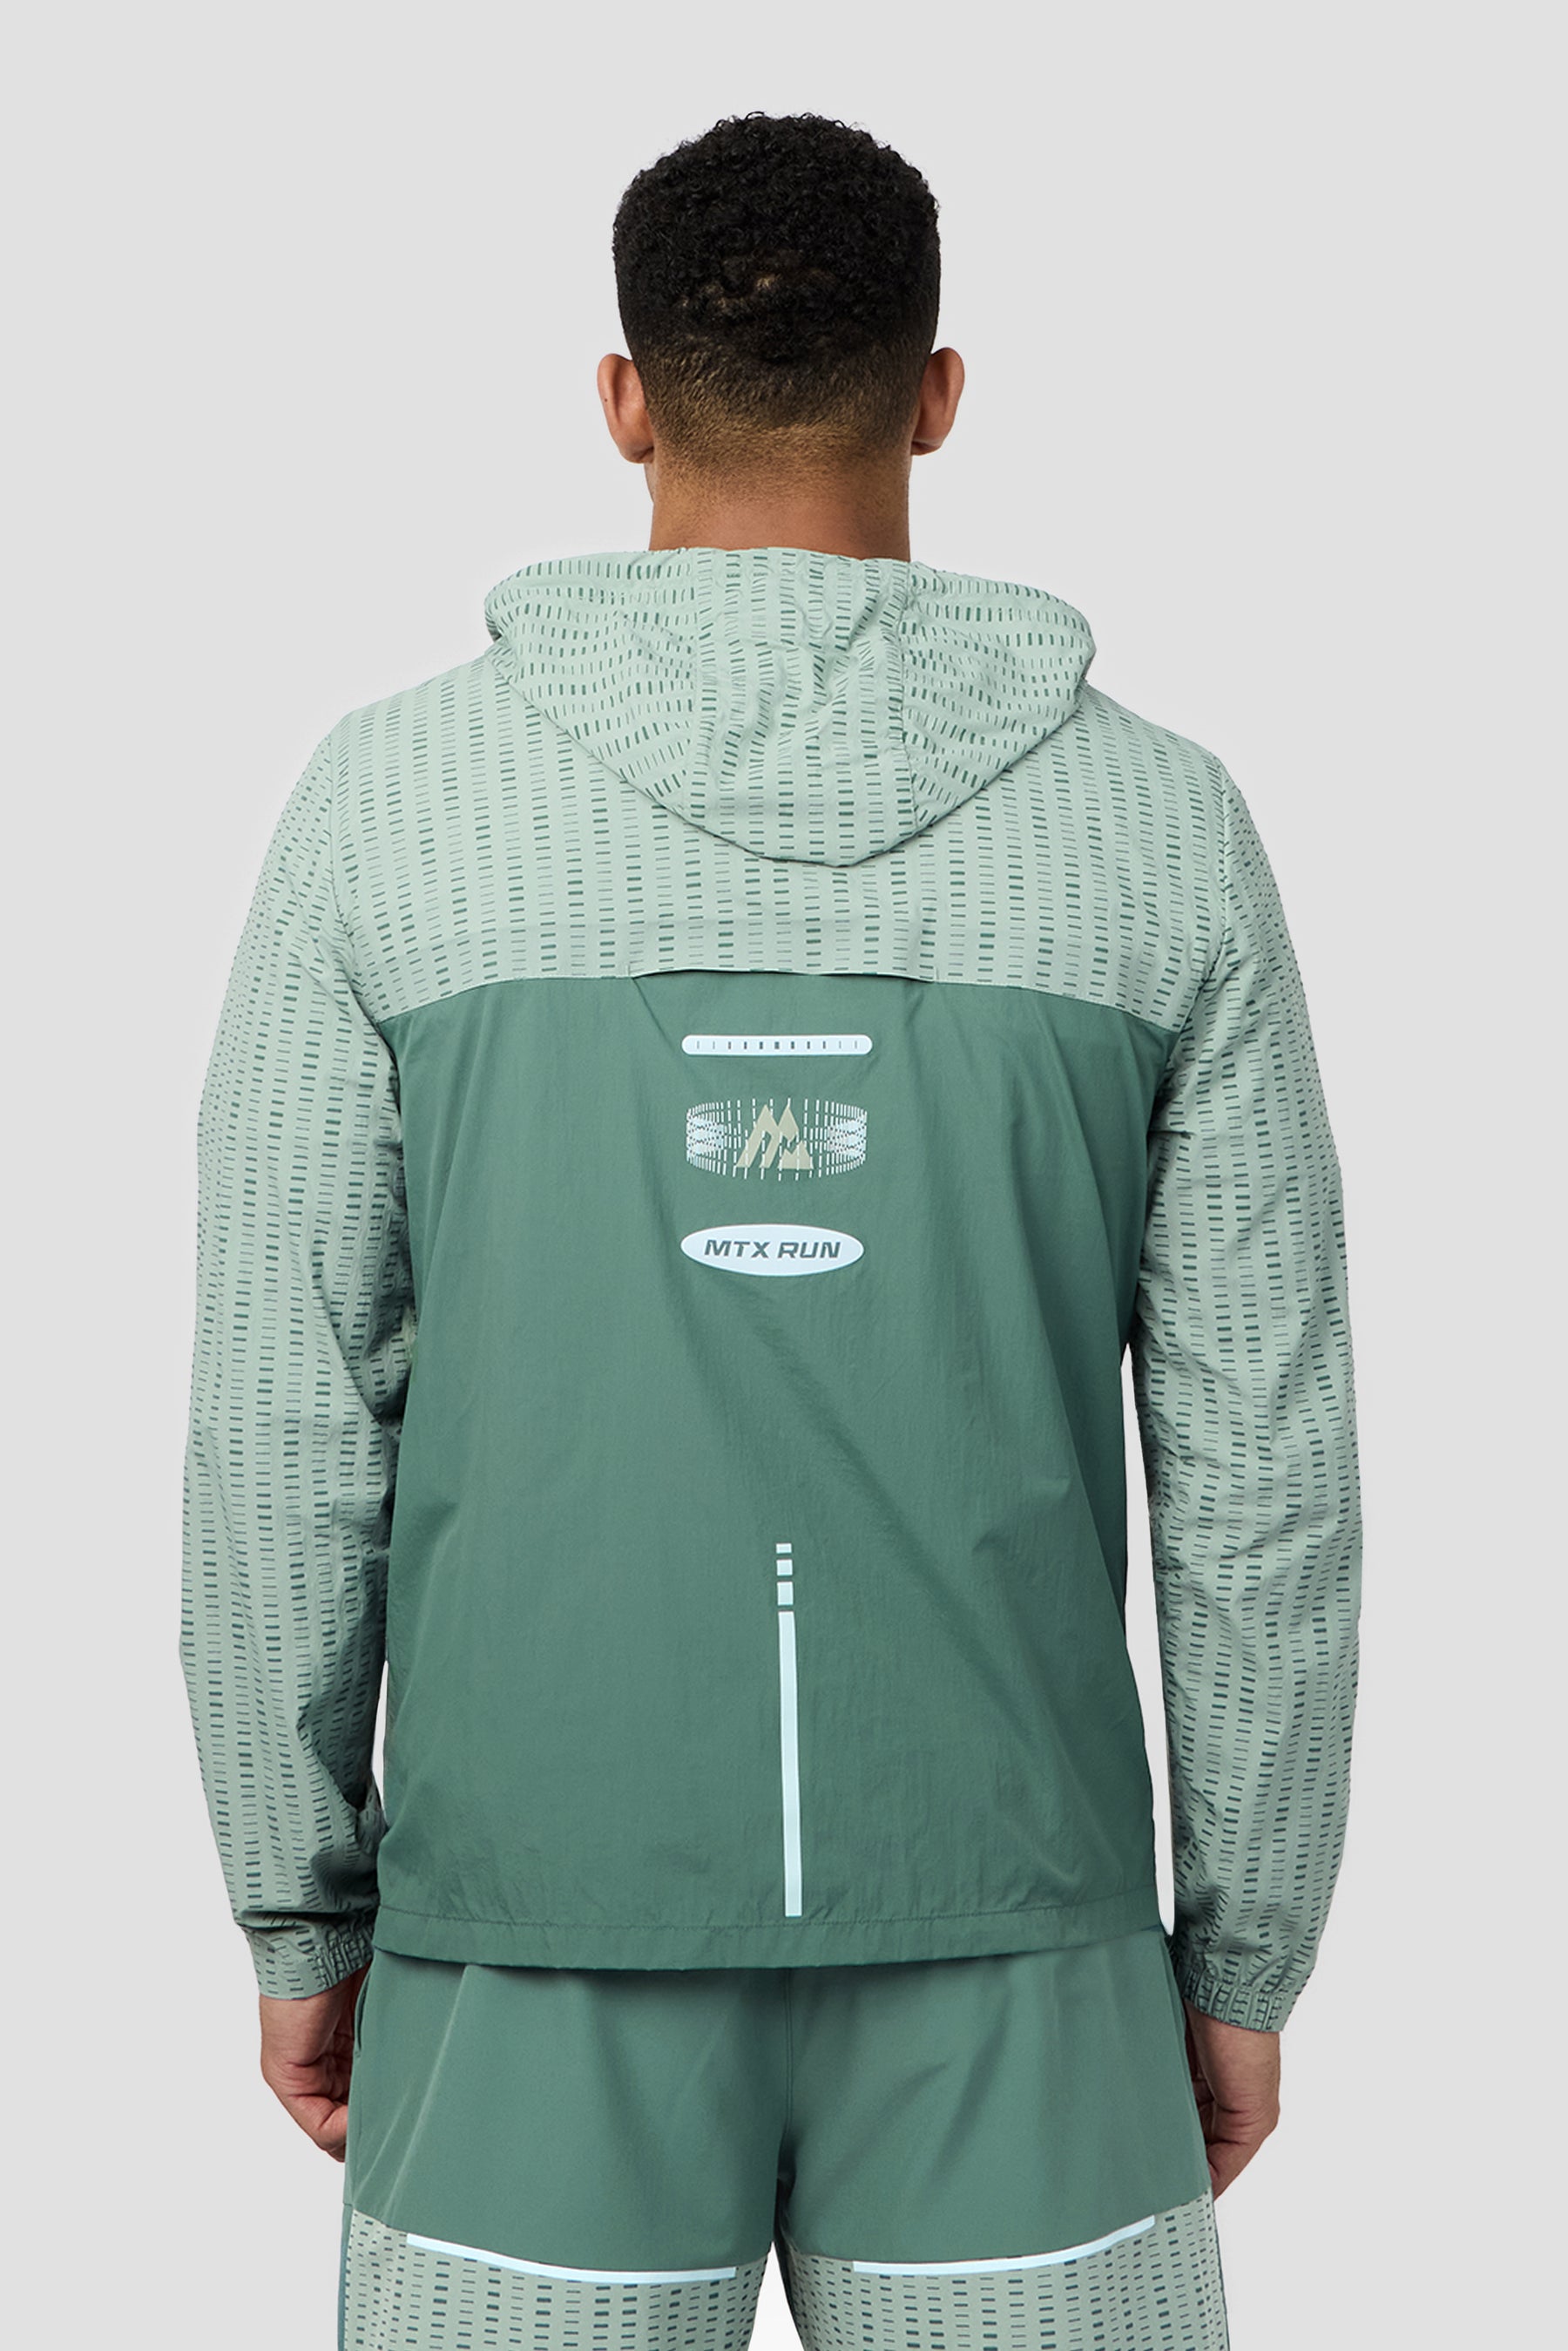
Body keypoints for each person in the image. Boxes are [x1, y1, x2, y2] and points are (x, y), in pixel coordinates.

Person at [180, 110, 1362, 2351]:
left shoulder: (393, 809)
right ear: (938, 391)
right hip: (1023, 1947)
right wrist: (1246, 1945)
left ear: (624, 398)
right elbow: (1264, 1471)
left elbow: (283, 1422)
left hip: (526, 1943)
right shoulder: (1158, 831)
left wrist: (297, 1909)